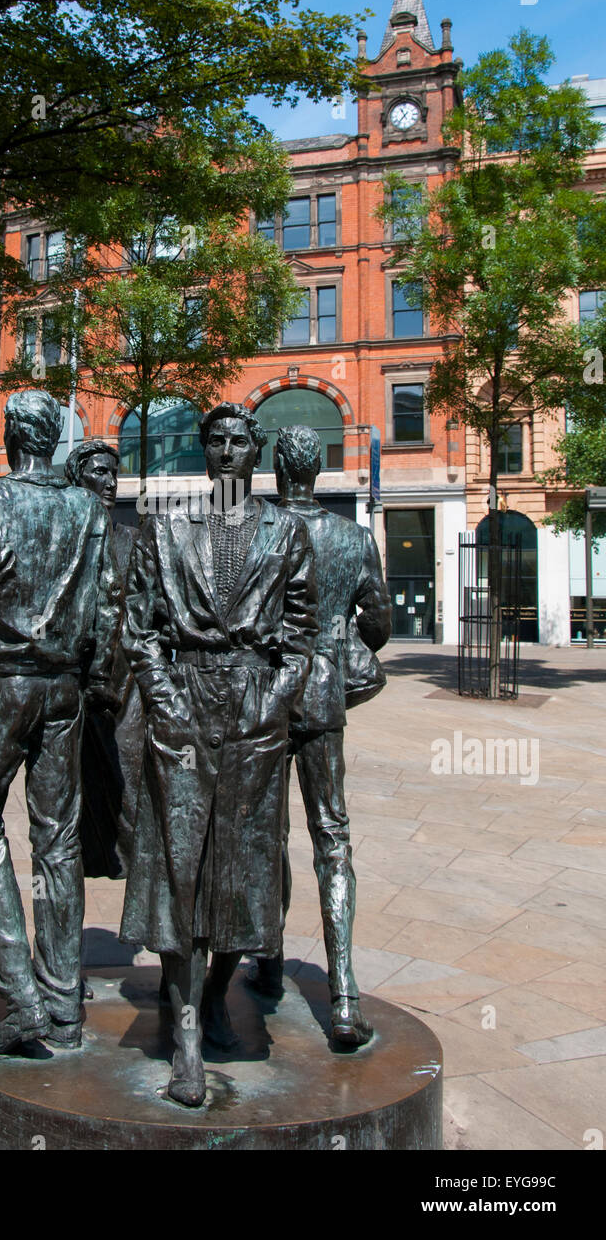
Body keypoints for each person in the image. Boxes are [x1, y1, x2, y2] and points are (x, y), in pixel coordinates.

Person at [119, 402, 318, 1106]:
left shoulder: (287, 531)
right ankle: (185, 1033)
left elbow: (302, 633)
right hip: (186, 698)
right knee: (180, 862)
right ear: (203, 451)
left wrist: (276, 696)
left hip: (254, 707)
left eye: (240, 440)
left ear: (256, 452)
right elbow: (138, 628)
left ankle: (212, 993)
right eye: (217, 440)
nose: (228, 450)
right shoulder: (167, 525)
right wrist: (165, 698)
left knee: (243, 867)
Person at [0, 391, 123, 1056]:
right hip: (67, 691)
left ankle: (21, 995)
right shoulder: (86, 506)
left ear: (14, 438)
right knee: (59, 841)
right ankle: (62, 1002)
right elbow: (106, 607)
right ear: (54, 441)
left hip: (8, 683)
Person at [246, 424, 391, 1047]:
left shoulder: (262, 529)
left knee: (266, 831)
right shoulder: (354, 538)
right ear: (322, 471)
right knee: (332, 837)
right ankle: (343, 995)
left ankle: (269, 964)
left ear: (279, 471)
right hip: (326, 693)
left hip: (269, 697)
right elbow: (379, 622)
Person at [64, 440, 141, 882]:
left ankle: (132, 865)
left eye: (115, 474)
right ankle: (86, 860)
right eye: (99, 472)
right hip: (71, 681)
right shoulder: (62, 541)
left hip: (124, 683)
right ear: (78, 478)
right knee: (73, 788)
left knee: (129, 779)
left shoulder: (131, 540)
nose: (111, 483)